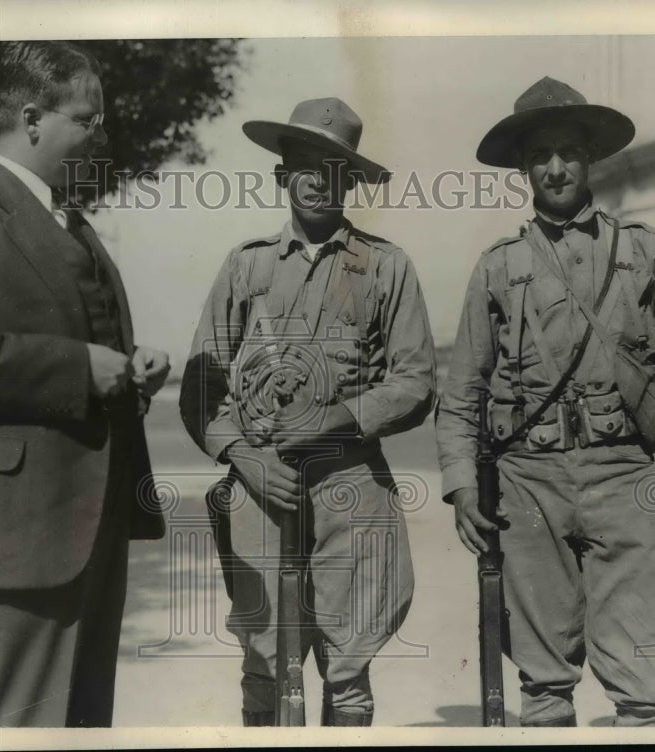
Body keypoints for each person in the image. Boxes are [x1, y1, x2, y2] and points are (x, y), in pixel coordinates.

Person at [436, 76, 655, 727]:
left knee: (648, 678)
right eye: (540, 155)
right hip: (528, 485)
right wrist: (461, 485)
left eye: (568, 152)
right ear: (523, 166)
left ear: (590, 157)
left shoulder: (642, 251)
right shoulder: (498, 267)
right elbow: (462, 393)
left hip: (624, 474)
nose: (556, 168)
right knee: (542, 685)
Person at [0, 41, 169, 728]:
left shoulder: (73, 224)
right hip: (15, 534)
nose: (100, 136)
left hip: (88, 524)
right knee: (17, 730)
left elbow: (74, 342)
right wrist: (81, 368)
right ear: (31, 119)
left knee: (81, 727)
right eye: (87, 119)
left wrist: (128, 368)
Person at [179, 97, 436, 726]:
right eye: (305, 166)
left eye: (335, 168)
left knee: (349, 669)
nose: (320, 181)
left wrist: (336, 418)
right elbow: (201, 386)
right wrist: (242, 457)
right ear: (281, 175)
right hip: (260, 482)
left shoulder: (386, 267)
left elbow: (415, 382)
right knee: (264, 664)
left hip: (351, 480)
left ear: (352, 181)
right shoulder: (247, 266)